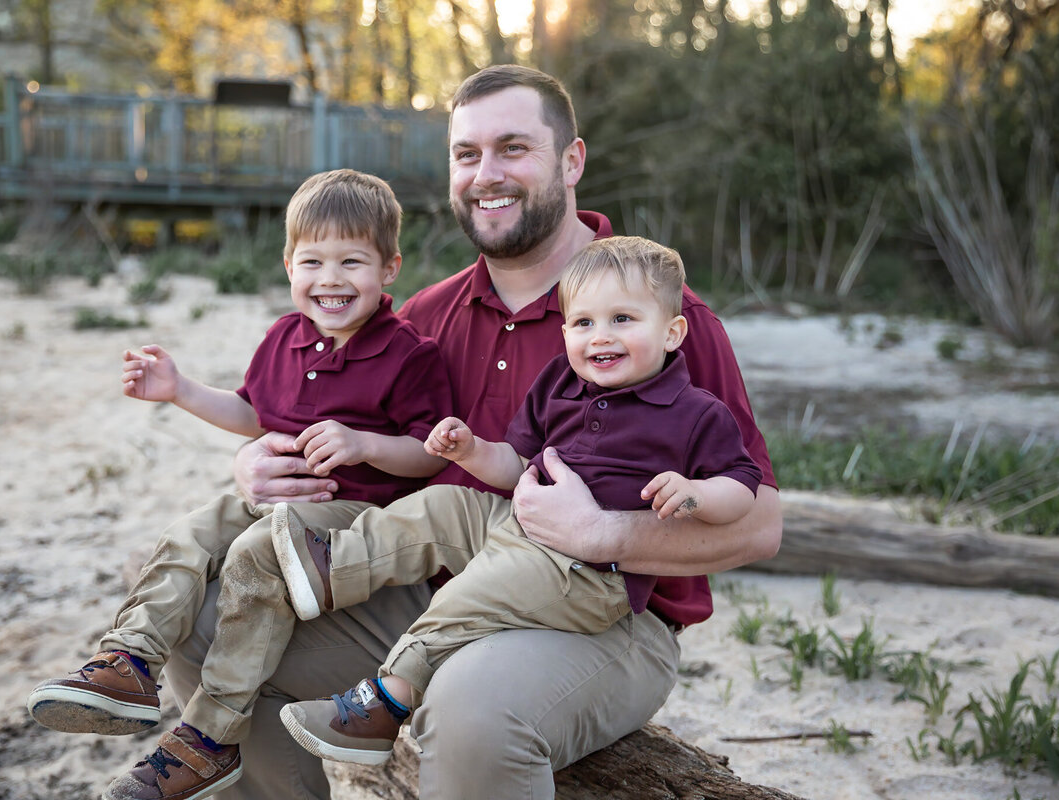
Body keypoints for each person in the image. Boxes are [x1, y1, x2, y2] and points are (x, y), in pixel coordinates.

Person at [166, 64, 782, 800]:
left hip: (600, 615)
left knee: (467, 717)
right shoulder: (421, 319)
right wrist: (262, 466)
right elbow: (352, 453)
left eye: (513, 148)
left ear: (572, 160)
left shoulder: (655, 323)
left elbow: (760, 528)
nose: (486, 175)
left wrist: (604, 533)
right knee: (202, 626)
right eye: (467, 155)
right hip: (422, 592)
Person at [24, 168, 452, 800]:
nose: (330, 279)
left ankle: (209, 736)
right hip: (270, 505)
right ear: (287, 265)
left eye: (351, 261)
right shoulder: (283, 338)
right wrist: (180, 391)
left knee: (254, 566)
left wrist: (364, 445)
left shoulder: (408, 354)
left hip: (353, 520)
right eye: (312, 261)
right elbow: (252, 413)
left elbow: (428, 455)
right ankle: (129, 660)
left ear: (389, 268)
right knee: (192, 532)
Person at [274, 235, 764, 765]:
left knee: (473, 592)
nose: (600, 337)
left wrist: (693, 496)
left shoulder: (695, 412)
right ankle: (332, 568)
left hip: (591, 575)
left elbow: (742, 489)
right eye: (583, 323)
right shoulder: (561, 382)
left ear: (672, 332)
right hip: (520, 528)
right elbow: (514, 464)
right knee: (444, 505)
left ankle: (386, 701)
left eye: (623, 320)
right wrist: (471, 450)